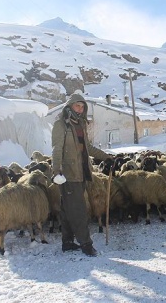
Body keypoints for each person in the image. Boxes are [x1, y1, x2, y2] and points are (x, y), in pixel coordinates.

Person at [51, 90, 112, 256]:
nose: (79, 109)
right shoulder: (61, 125)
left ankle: (68, 242)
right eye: (77, 105)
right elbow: (57, 149)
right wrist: (56, 171)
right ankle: (86, 244)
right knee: (78, 210)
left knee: (67, 209)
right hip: (69, 174)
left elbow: (88, 148)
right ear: (70, 106)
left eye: (82, 106)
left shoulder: (80, 125)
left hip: (82, 172)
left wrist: (106, 157)